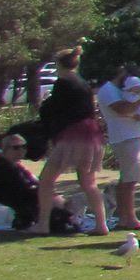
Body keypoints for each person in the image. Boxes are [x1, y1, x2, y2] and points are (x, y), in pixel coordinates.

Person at [35, 47, 110, 237]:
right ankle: (101, 224)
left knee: (46, 180)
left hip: (73, 134)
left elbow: (54, 109)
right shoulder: (83, 84)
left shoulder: (63, 83)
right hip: (91, 134)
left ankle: (42, 224)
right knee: (88, 181)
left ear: (59, 64)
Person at [96, 63, 140, 232]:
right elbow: (122, 110)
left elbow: (129, 110)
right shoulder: (108, 90)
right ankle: (130, 218)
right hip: (124, 137)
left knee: (128, 179)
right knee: (130, 179)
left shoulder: (119, 90)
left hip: (132, 135)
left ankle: (125, 218)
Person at [0, 134, 66, 232]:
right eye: (16, 148)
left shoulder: (18, 167)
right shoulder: (3, 168)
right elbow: (22, 192)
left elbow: (32, 188)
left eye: (24, 147)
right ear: (5, 149)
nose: (21, 150)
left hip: (14, 207)